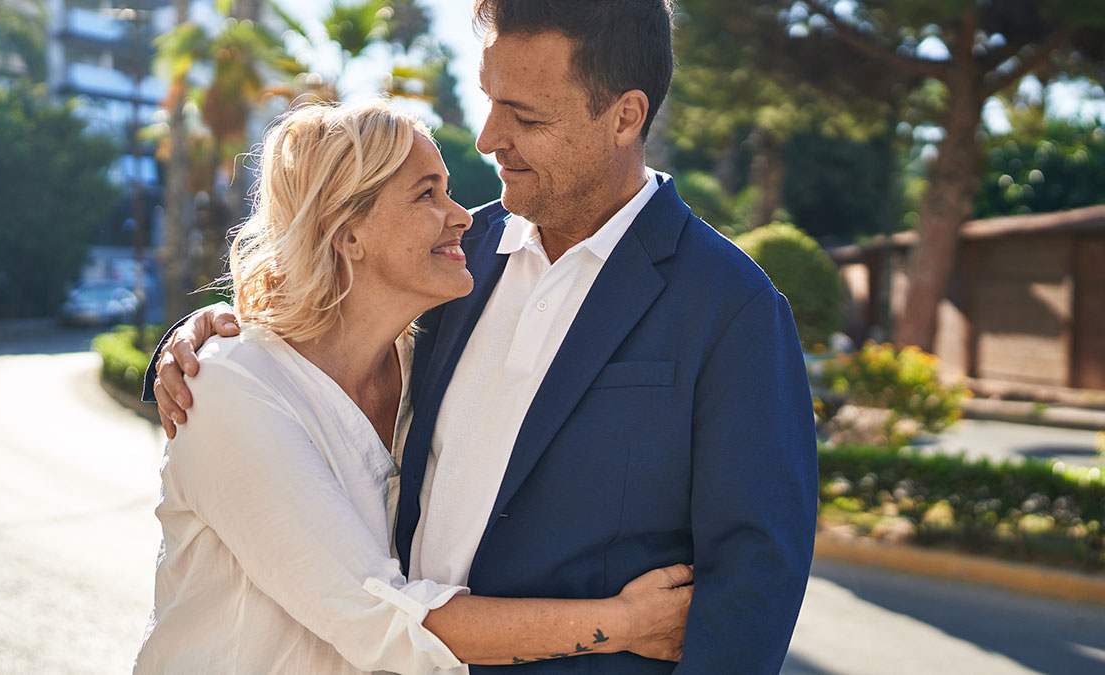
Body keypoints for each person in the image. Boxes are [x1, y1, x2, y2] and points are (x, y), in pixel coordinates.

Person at [149, 1, 819, 672]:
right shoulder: (457, 260)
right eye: (490, 101)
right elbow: (321, 332)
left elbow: (752, 584)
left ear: (624, 116)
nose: (489, 137)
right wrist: (204, 337)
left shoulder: (732, 308)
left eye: (526, 116)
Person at [133, 101, 693, 675]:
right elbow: (379, 618)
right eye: (427, 194)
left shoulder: (426, 364)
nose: (464, 217)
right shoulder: (229, 386)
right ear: (347, 234)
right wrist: (624, 623)